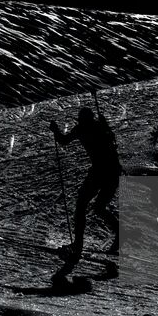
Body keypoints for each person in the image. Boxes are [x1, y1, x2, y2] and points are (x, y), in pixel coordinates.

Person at [50, 104, 122, 275]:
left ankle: (78, 244)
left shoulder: (86, 129)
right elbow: (111, 140)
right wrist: (106, 127)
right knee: (98, 207)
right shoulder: (96, 127)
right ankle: (118, 231)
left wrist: (55, 130)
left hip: (101, 171)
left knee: (82, 205)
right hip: (112, 171)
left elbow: (64, 141)